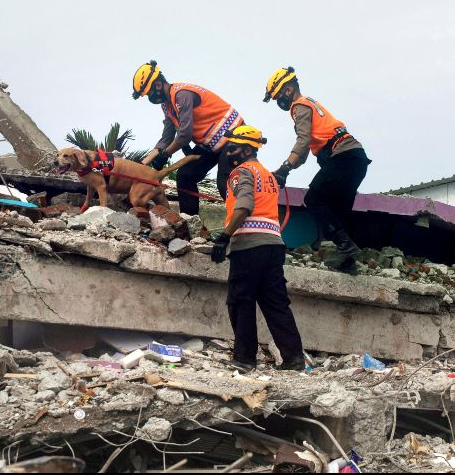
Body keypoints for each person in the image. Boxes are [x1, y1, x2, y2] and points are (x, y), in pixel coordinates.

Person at [211, 125, 305, 373]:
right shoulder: (269, 176)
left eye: (232, 147)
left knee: (240, 301)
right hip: (274, 245)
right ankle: (294, 358)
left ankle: (244, 358)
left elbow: (243, 207)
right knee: (276, 303)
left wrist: (224, 237)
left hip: (249, 245)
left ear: (246, 149)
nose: (229, 152)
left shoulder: (241, 173)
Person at [264, 67, 372, 272]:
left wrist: (284, 168)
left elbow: (303, 141)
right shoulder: (310, 103)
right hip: (355, 158)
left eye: (277, 96)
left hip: (343, 157)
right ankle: (348, 263)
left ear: (287, 90)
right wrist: (284, 169)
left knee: (314, 198)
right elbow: (303, 155)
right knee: (337, 210)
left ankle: (346, 246)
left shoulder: (298, 107)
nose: (280, 102)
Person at [131, 60, 244, 214]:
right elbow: (166, 138)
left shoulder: (181, 94)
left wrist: (165, 155)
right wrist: (143, 163)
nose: (150, 98)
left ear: (157, 85)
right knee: (185, 175)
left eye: (149, 93)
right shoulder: (167, 105)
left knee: (223, 183)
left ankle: (242, 225)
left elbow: (184, 135)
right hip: (211, 145)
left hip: (235, 137)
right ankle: (190, 223)